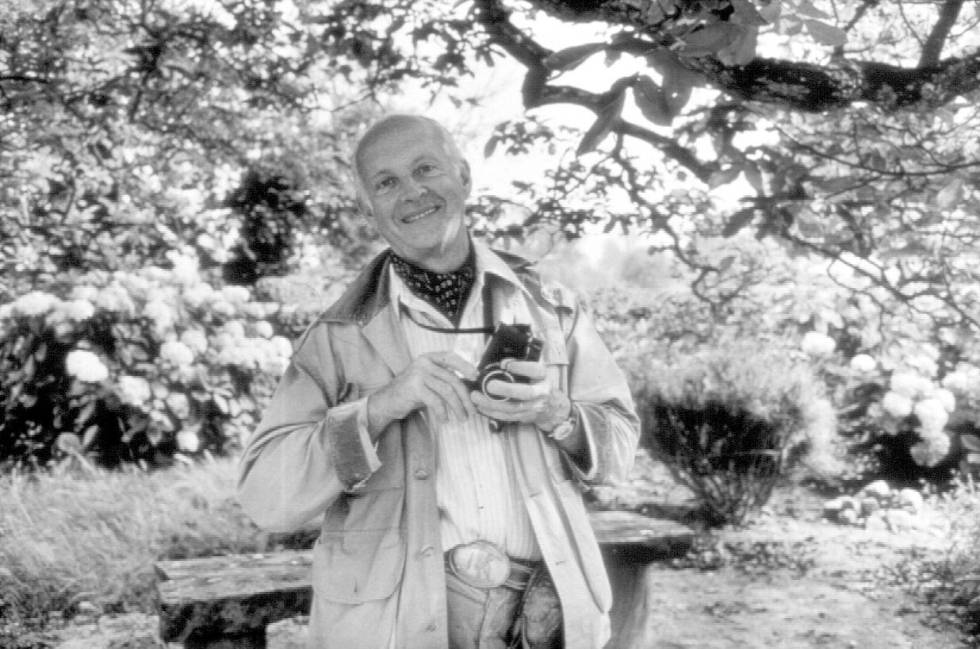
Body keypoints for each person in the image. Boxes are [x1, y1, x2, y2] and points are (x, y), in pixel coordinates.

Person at [237, 114, 640, 649]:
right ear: (368, 208)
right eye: (387, 182)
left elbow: (620, 450)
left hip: (550, 613)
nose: (413, 192)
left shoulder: (552, 306)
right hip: (404, 624)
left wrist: (555, 412)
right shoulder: (336, 336)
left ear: (464, 177)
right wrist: (378, 408)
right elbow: (266, 497)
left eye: (426, 168)